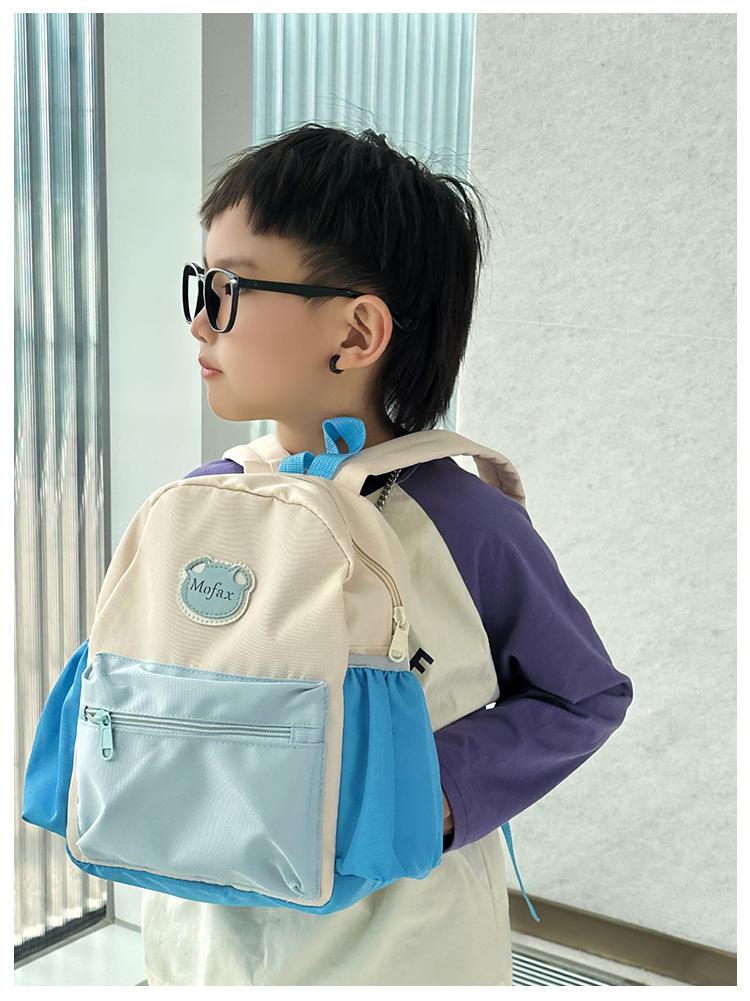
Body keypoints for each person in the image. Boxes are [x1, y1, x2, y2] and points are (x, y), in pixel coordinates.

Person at [141, 123, 634, 986]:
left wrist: (430, 794)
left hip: (402, 946)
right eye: (201, 282)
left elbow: (581, 692)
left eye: (228, 289)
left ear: (358, 332)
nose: (198, 319)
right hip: (207, 933)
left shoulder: (465, 521)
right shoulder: (205, 500)